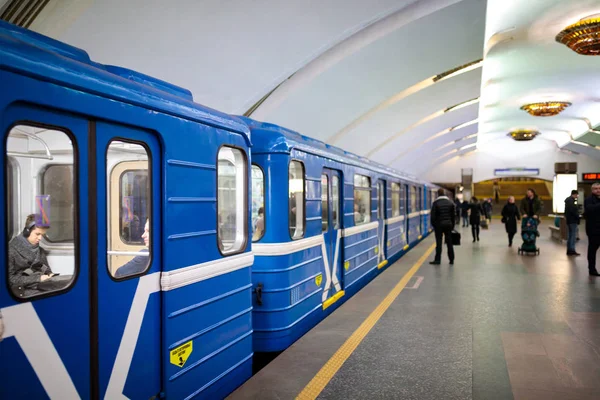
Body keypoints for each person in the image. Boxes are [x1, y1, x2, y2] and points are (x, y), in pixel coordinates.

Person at [8, 214, 56, 297]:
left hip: (39, 286)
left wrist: (50, 275)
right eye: (37, 234)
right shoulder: (10, 250)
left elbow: (45, 269)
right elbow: (10, 279)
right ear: (27, 231)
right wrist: (38, 278)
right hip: (21, 290)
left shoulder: (40, 250)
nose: (40, 238)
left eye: (42, 235)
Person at [429, 188, 455, 265]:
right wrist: (452, 225)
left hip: (439, 226)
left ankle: (437, 260)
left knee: (439, 243)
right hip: (448, 225)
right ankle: (451, 259)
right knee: (449, 243)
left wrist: (434, 226)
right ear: (445, 194)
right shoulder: (450, 203)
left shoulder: (435, 203)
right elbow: (453, 216)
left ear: (438, 194)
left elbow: (433, 217)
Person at [584, 183, 600, 276]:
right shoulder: (589, 200)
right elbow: (590, 209)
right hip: (593, 229)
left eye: (599, 188)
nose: (598, 190)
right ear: (592, 190)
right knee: (593, 249)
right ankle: (592, 269)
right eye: (596, 188)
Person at [564, 189, 580, 256]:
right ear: (575, 194)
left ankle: (569, 250)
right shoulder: (571, 201)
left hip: (569, 220)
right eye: (577, 195)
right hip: (573, 220)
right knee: (572, 236)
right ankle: (572, 250)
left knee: (570, 235)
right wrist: (578, 217)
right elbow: (573, 211)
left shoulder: (568, 201)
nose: (577, 196)